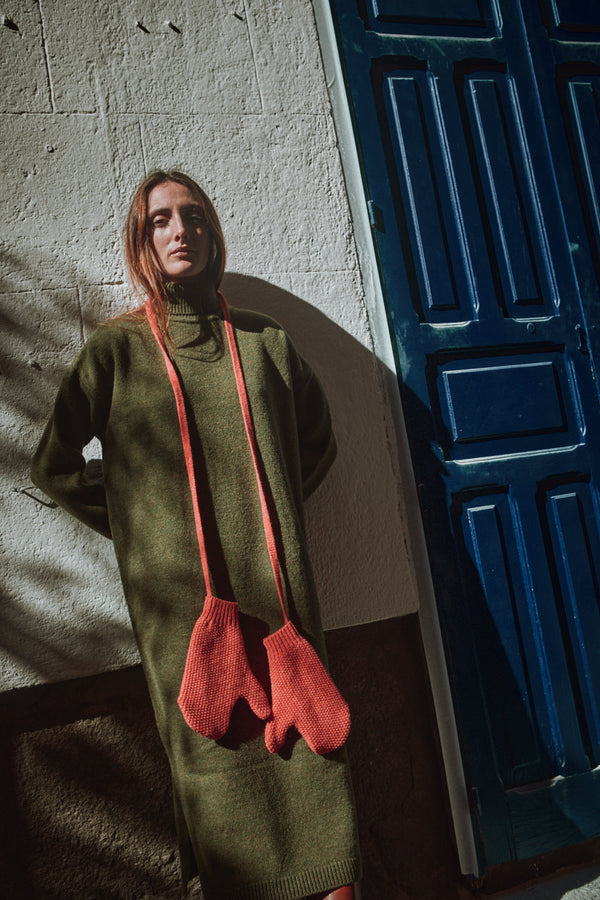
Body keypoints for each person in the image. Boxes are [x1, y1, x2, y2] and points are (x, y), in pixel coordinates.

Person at [31, 170, 361, 900]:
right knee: (221, 800)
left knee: (322, 777)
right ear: (142, 243)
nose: (179, 230)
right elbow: (53, 467)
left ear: (212, 233)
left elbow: (319, 444)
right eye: (159, 221)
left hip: (284, 614)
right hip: (189, 627)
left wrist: (270, 510)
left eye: (193, 217)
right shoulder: (114, 356)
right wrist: (145, 532)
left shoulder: (266, 342)